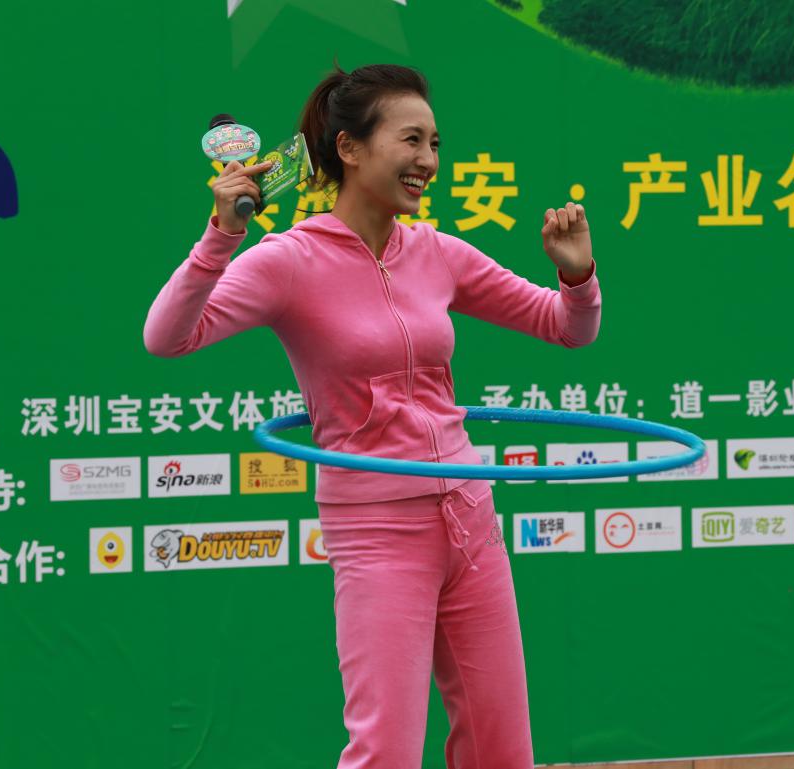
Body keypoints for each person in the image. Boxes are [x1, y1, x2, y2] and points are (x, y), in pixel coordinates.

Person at [143, 64, 600, 769]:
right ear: (349, 148)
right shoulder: (287, 260)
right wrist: (219, 238)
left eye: (435, 143)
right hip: (378, 530)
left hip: (470, 518)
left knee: (503, 751)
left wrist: (576, 275)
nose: (429, 161)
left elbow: (566, 328)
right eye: (411, 140)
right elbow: (167, 337)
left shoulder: (437, 252)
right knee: (385, 752)